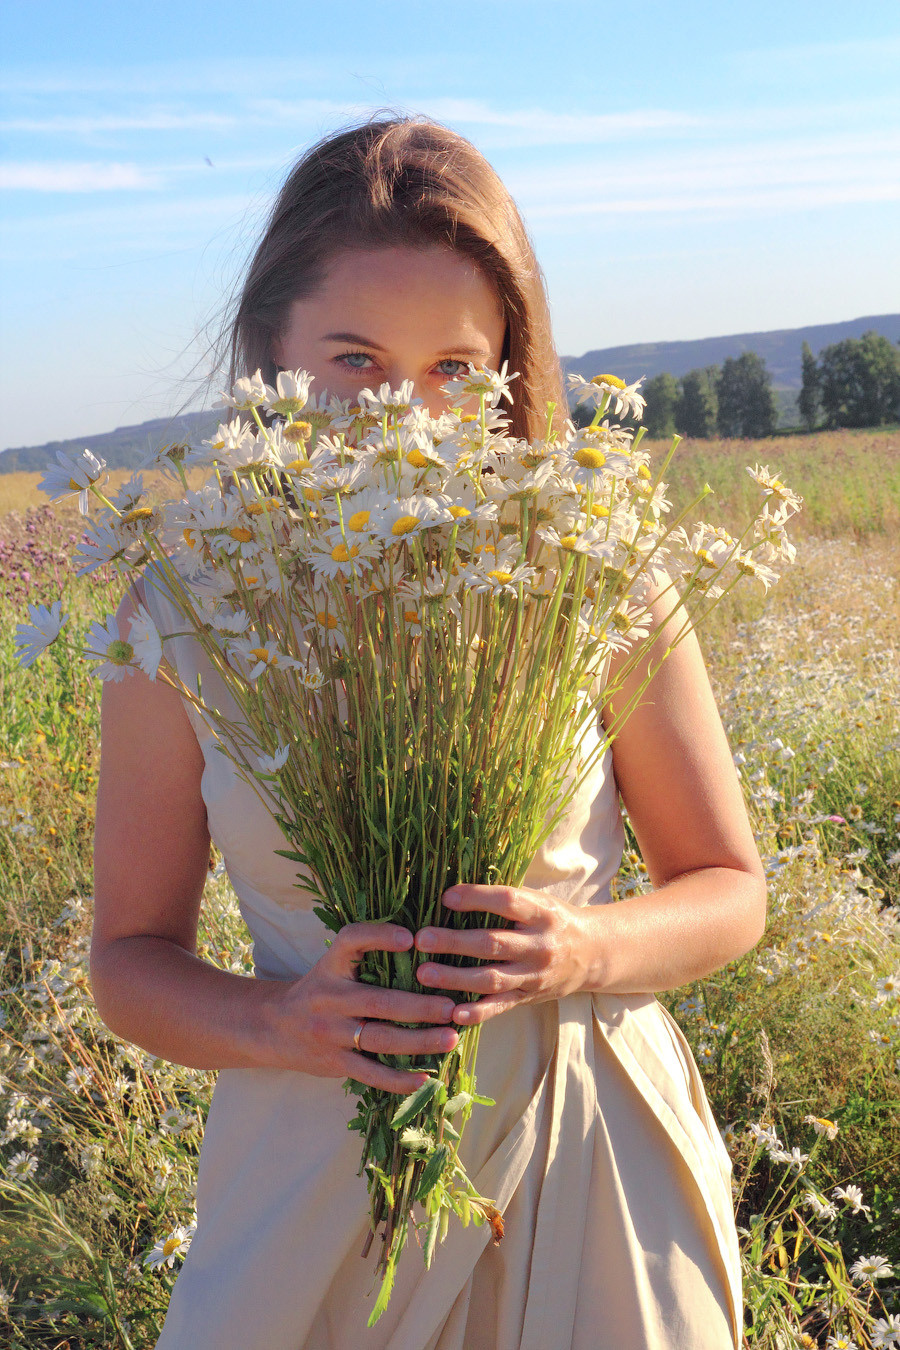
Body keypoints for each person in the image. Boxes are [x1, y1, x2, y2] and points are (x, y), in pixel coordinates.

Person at [90, 117, 766, 1350]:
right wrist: (273, 1025)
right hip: (313, 1177)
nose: (407, 411)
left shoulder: (594, 577)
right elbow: (128, 957)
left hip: (591, 1163)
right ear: (270, 356)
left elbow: (730, 889)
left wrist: (583, 950)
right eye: (355, 359)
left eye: (458, 368)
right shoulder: (180, 610)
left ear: (511, 369)